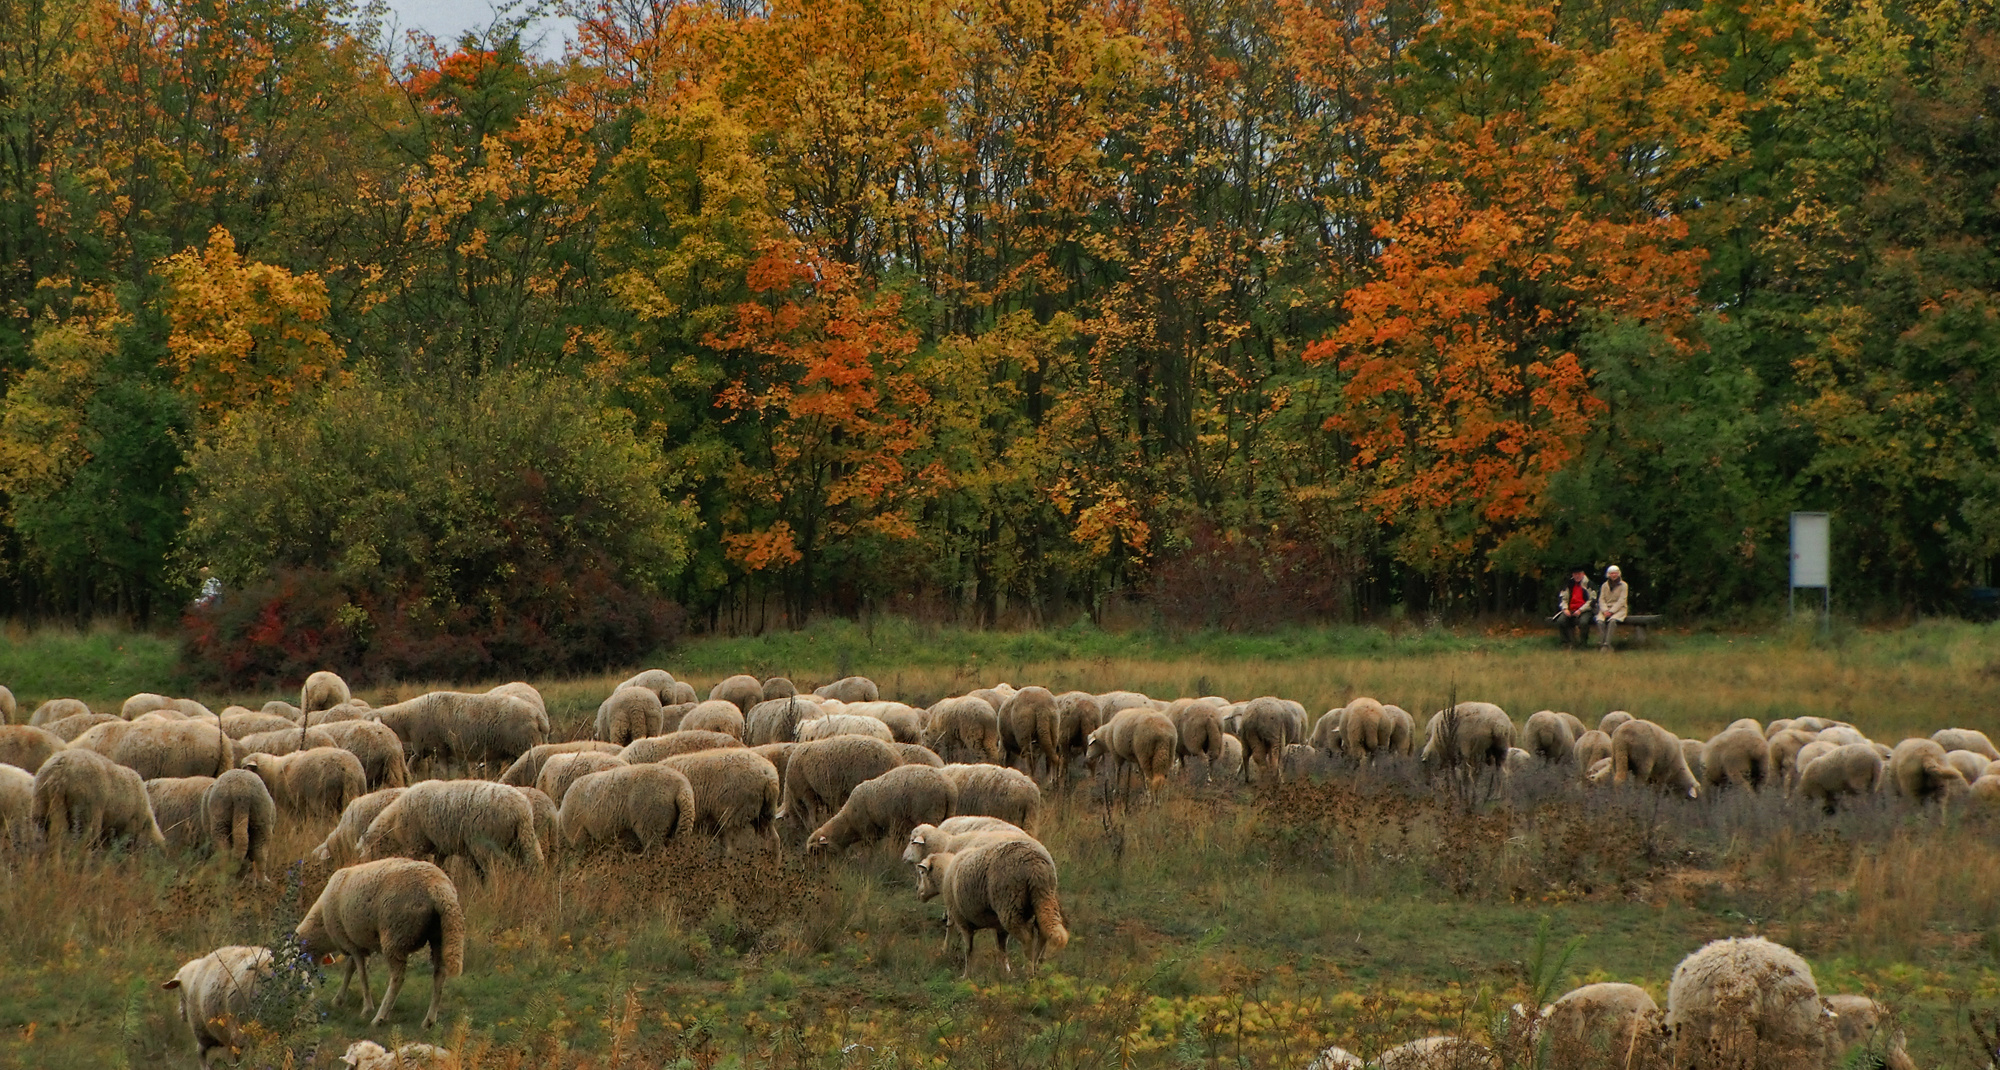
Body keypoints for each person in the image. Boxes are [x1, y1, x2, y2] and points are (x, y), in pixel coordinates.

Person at [1554, 568, 1595, 647]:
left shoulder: (1589, 584)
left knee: (1583, 622)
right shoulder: (1568, 584)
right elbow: (1563, 598)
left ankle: (1583, 643)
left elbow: (1592, 600)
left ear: (1583, 574)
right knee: (1561, 620)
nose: (1577, 576)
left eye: (1579, 574)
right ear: (1573, 575)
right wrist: (1565, 608)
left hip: (1585, 610)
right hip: (1570, 609)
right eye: (1575, 574)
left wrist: (1580, 610)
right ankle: (1566, 643)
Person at [1596, 565, 1629, 650]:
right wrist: (1605, 610)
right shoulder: (1604, 585)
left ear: (1619, 574)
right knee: (1599, 621)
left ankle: (1607, 643)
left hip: (1619, 609)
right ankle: (1602, 643)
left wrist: (1612, 611)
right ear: (1608, 574)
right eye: (1612, 573)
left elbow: (1622, 600)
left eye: (1615, 573)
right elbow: (1601, 599)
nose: (1614, 575)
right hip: (1605, 609)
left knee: (1612, 621)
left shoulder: (1624, 585)